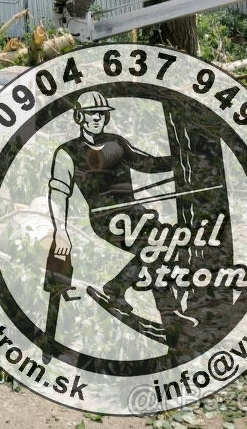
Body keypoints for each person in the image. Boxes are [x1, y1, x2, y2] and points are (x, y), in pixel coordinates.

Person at [47, 91, 184, 346]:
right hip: (107, 217)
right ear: (80, 117)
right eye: (91, 114)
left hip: (135, 211)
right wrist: (60, 231)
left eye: (101, 114)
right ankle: (122, 291)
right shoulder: (67, 152)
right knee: (153, 250)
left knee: (165, 246)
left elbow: (147, 163)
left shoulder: (116, 142)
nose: (97, 119)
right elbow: (58, 194)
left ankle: (169, 315)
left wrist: (180, 161)